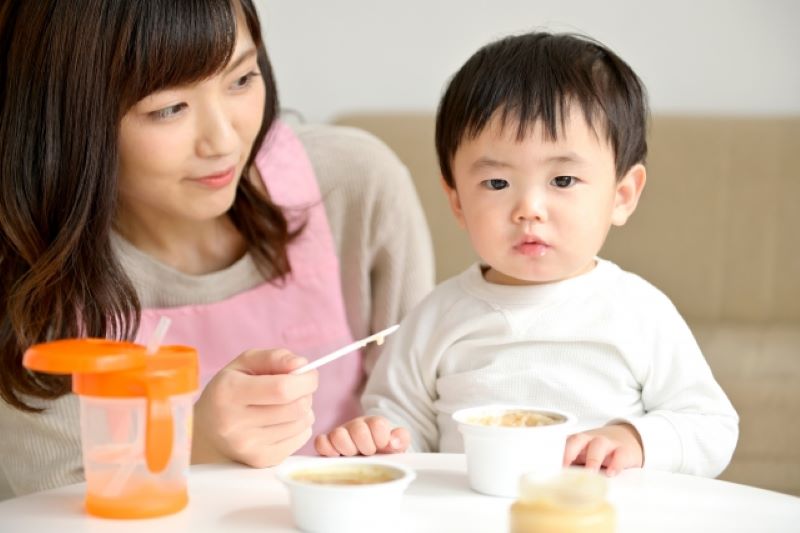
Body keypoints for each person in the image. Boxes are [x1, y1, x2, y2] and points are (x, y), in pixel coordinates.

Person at [0, 0, 434, 497]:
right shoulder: (27, 273)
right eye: (169, 108)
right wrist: (198, 445)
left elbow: (422, 407)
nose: (224, 140)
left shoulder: (354, 185)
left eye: (242, 80)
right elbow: (52, 506)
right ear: (67, 119)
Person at [315, 31, 739, 478]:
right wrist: (379, 441)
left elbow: (710, 427)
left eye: (562, 181)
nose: (528, 210)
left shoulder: (639, 312)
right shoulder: (435, 316)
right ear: (457, 199)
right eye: (497, 184)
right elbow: (403, 426)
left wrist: (633, 440)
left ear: (622, 195)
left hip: (599, 517)